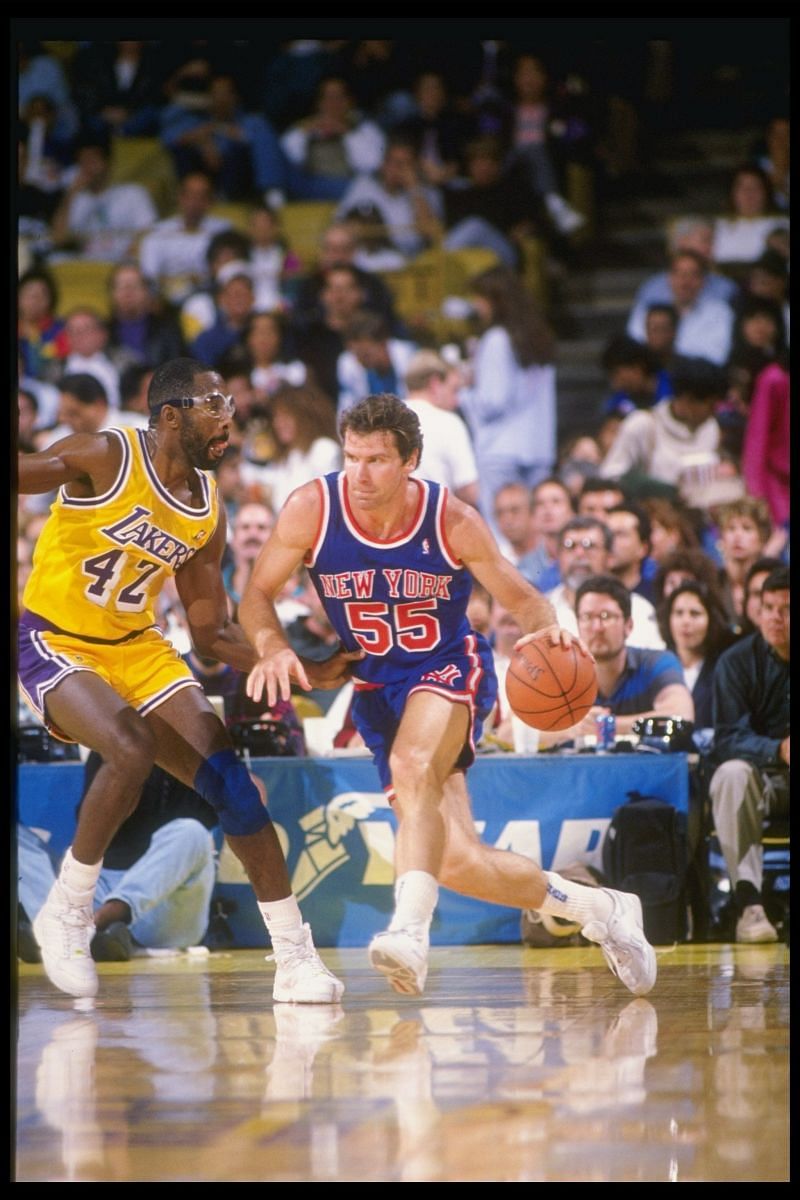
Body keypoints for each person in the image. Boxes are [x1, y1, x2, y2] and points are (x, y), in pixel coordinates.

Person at [239, 393, 657, 999]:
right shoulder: (313, 508)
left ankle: (409, 932)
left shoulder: (450, 518)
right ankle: (603, 909)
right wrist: (273, 646)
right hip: (377, 687)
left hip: (446, 666)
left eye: (377, 460)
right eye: (352, 457)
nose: (359, 473)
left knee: (413, 766)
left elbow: (525, 600)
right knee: (457, 860)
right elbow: (256, 593)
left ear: (411, 460)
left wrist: (549, 633)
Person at [17, 355, 353, 1003]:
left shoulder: (207, 509)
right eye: (214, 406)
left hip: (138, 646)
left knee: (234, 790)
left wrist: (302, 667)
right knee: (130, 748)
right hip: (56, 639)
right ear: (170, 417)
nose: (230, 418)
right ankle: (66, 911)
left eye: (231, 405)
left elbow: (210, 637)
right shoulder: (107, 455)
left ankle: (294, 958)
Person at [18, 753, 220, 963]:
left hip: (164, 910)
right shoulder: (109, 748)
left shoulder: (194, 753)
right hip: (98, 888)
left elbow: (242, 797)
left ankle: (89, 926)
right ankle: (68, 933)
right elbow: (89, 831)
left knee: (192, 832)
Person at [708, 567, 789, 943]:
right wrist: (778, 749)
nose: (775, 617)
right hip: (765, 778)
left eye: (785, 609)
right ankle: (750, 904)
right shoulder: (736, 662)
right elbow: (726, 738)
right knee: (730, 773)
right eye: (769, 607)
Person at [539, 573, 694, 750]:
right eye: (587, 617)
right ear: (577, 624)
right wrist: (571, 729)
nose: (597, 627)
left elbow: (682, 715)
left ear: (629, 626)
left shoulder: (657, 663)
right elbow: (509, 731)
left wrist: (604, 725)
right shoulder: (560, 672)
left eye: (606, 616)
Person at [460, 265, 558, 522]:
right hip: (537, 447)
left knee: (499, 531)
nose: (476, 305)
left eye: (480, 298)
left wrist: (464, 391)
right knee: (535, 528)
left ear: (495, 300)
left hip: (500, 449)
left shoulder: (496, 339)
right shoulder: (540, 338)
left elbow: (492, 402)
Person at [402, 349, 479, 506]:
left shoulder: (384, 418)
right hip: (434, 521)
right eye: (454, 390)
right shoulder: (449, 423)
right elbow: (469, 492)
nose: (457, 401)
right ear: (435, 384)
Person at [658, 580, 736, 731]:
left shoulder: (725, 668)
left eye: (695, 614)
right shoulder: (656, 665)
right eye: (679, 613)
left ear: (711, 619)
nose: (685, 621)